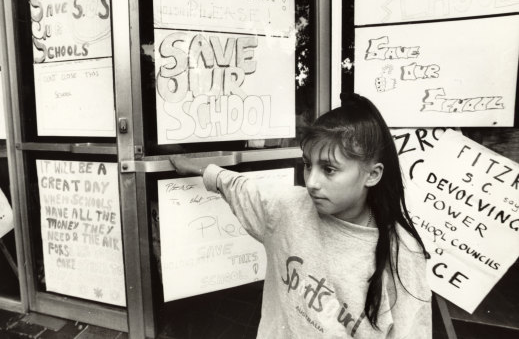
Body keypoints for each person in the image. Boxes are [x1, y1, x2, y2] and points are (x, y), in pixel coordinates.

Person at [170, 93, 431, 338]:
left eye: (329, 169)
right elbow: (236, 185)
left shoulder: (403, 253)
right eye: (308, 165)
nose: (312, 182)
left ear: (372, 174)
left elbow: (413, 330)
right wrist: (198, 168)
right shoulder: (286, 208)